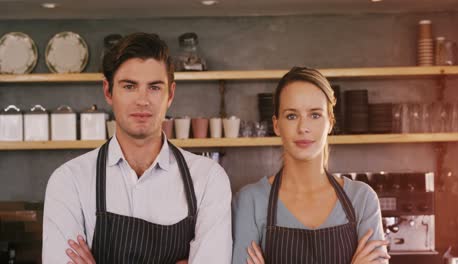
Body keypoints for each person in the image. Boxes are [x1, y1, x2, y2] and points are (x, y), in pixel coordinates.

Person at [42, 32, 232, 264]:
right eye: (129, 86)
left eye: (154, 87)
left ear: (170, 94)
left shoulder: (209, 179)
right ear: (108, 91)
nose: (142, 100)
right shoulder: (69, 181)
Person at [232, 67, 390, 264]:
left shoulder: (362, 199)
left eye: (315, 115)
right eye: (291, 116)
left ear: (330, 122)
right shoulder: (250, 201)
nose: (303, 128)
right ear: (276, 124)